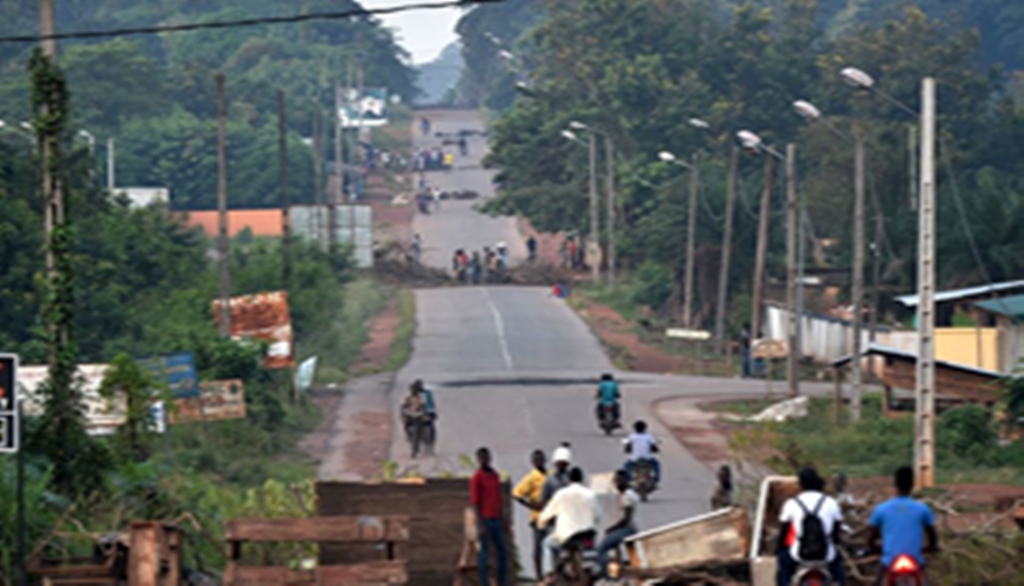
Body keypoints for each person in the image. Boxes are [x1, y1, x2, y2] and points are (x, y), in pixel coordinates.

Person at [867, 466, 938, 585]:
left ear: (895, 485)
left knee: (878, 581)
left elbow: (871, 538)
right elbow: (932, 537)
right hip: (915, 559)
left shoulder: (881, 509)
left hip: (890, 560)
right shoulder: (923, 509)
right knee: (925, 580)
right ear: (912, 485)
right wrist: (930, 548)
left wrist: (873, 548)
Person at [777, 467, 845, 586]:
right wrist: (836, 542)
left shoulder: (792, 503)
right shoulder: (831, 502)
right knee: (839, 568)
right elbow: (836, 532)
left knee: (783, 564)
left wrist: (779, 548)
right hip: (826, 555)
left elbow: (784, 531)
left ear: (801, 485)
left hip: (798, 554)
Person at [537, 467, 600, 580]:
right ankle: (590, 570)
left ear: (569, 479)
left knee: (547, 544)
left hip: (567, 536)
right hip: (587, 535)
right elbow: (597, 517)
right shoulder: (590, 495)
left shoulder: (561, 494)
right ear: (582, 479)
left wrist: (541, 523)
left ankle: (550, 574)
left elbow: (546, 514)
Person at [471, 447, 509, 586]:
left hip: (496, 519)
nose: (484, 460)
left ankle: (502, 581)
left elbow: (498, 498)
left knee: (503, 552)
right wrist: (479, 524)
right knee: (484, 554)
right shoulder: (477, 478)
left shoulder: (494, 476)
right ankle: (484, 582)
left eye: (486, 457)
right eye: (481, 458)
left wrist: (503, 517)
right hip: (485, 520)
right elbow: (475, 502)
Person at [512, 450, 548, 580]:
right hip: (537, 517)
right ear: (533, 462)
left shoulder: (550, 475)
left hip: (552, 516)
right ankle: (539, 576)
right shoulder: (531, 478)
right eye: (536, 460)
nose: (539, 462)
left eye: (541, 459)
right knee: (539, 547)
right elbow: (517, 494)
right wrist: (531, 506)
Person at [597, 470, 639, 577]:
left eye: (619, 481)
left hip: (627, 529)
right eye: (616, 482)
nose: (617, 484)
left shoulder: (628, 496)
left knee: (601, 549)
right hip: (629, 528)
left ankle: (608, 575)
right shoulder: (627, 494)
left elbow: (626, 519)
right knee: (612, 543)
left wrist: (612, 528)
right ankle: (618, 567)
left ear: (625, 481)